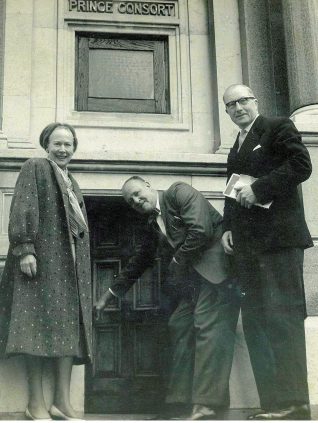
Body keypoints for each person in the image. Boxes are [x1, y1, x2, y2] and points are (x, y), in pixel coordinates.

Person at [95, 176, 239, 420]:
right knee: (178, 324)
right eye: (131, 201)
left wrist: (177, 260)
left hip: (218, 274)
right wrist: (109, 295)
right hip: (195, 282)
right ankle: (179, 403)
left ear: (150, 186)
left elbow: (201, 230)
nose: (137, 201)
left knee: (207, 327)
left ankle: (207, 404)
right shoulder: (152, 224)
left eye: (139, 194)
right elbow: (139, 261)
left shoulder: (178, 192)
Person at [221, 84, 313, 420]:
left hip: (279, 244)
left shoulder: (277, 127)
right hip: (248, 247)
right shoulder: (236, 145)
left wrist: (259, 188)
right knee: (257, 321)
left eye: (243, 100)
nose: (238, 107)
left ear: (255, 101)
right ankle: (273, 404)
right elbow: (233, 189)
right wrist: (228, 227)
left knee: (282, 319)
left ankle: (294, 404)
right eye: (231, 104)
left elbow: (302, 166)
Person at [0, 123, 92, 420]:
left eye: (68, 144)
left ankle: (61, 403)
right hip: (41, 263)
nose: (63, 149)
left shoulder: (71, 181)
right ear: (46, 145)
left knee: (69, 330)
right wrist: (25, 248)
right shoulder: (36, 167)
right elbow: (22, 208)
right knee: (34, 329)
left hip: (70, 267)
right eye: (57, 143)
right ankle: (35, 404)